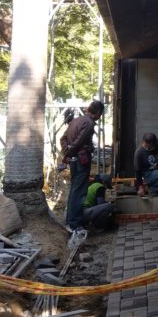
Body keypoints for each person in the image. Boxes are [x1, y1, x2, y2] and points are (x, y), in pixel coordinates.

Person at [59, 100, 104, 234]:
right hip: (81, 161)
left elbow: (63, 139)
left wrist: (67, 154)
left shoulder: (75, 120)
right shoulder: (89, 123)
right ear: (98, 113)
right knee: (79, 193)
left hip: (74, 160)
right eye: (100, 114)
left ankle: (70, 221)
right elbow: (77, 143)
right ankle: (74, 224)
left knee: (74, 190)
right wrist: (69, 153)